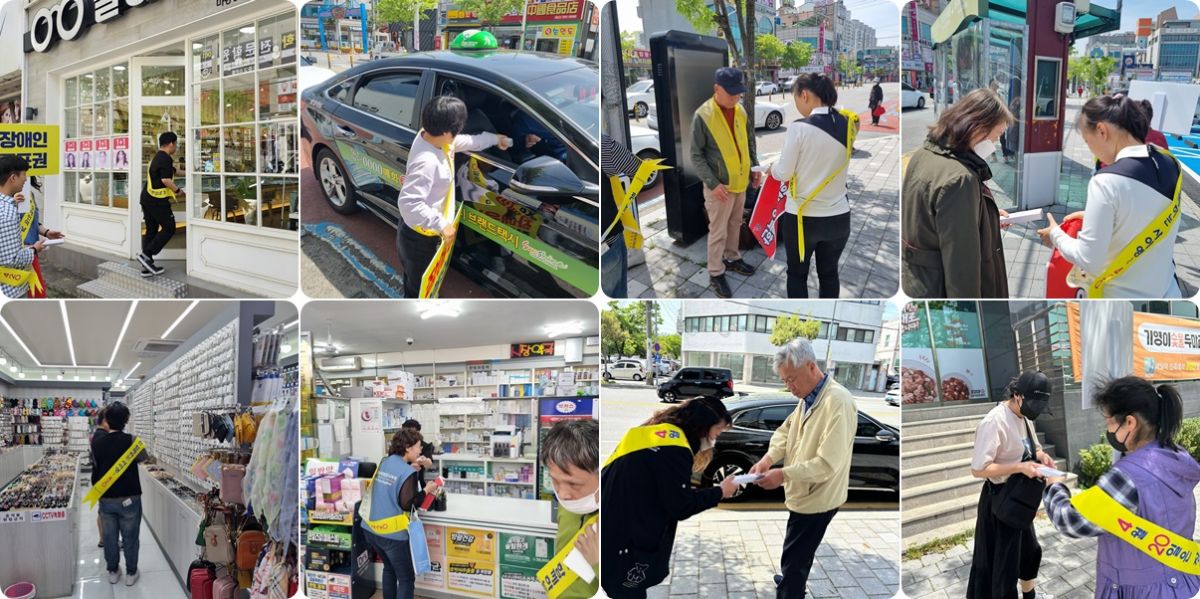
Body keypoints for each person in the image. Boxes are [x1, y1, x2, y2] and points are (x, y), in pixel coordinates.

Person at [1042, 377, 1200, 597]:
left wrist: (1054, 487)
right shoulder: (1176, 456)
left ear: (1130, 423)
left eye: (1108, 422)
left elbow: (1070, 520)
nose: (1108, 430)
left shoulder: (1128, 475)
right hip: (1182, 582)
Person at [1037, 94, 1183, 298]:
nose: (1091, 151)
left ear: (1102, 130)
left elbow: (1088, 259)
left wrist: (1055, 234)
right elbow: (1141, 213)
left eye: (1088, 142)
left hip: (1122, 305)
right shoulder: (1170, 163)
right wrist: (1098, 217)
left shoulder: (1106, 182)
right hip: (1168, 293)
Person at [746, 338, 856, 598]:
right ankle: (790, 579)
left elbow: (827, 464)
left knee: (794, 560)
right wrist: (768, 459)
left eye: (792, 379)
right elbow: (786, 432)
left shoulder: (837, 401)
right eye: (785, 381)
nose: (789, 386)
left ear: (810, 366)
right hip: (805, 494)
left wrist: (782, 475)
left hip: (818, 498)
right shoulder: (808, 396)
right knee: (796, 553)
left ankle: (790, 588)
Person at [601, 398, 738, 598]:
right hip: (627, 541)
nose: (717, 436)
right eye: (719, 430)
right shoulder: (675, 448)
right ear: (703, 426)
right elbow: (681, 506)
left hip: (610, 529)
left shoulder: (647, 433)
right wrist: (721, 491)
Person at [901, 88, 1015, 298]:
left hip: (919, 281)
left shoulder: (923, 154)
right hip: (942, 290)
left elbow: (934, 222)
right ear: (978, 128)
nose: (996, 145)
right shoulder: (960, 179)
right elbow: (962, 273)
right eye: (996, 136)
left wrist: (986, 219)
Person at [396, 95, 512, 298]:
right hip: (420, 236)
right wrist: (441, 224)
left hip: (425, 230)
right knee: (418, 289)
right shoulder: (427, 161)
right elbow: (408, 203)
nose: (459, 132)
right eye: (457, 128)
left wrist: (495, 139)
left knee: (421, 281)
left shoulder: (431, 137)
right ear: (447, 131)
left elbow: (467, 141)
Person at [966, 372, 1056, 599]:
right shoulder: (994, 421)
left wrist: (1042, 456)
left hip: (1020, 501)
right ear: (1017, 395)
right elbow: (978, 469)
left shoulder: (1025, 417)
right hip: (1000, 503)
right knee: (1003, 566)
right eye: (1033, 403)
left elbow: (1032, 448)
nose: (1035, 410)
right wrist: (1019, 467)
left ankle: (1029, 594)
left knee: (1030, 551)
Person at [770, 73, 855, 299]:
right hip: (839, 217)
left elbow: (783, 173)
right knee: (829, 274)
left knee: (797, 275)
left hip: (802, 220)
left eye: (796, 97)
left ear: (804, 95)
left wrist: (771, 168)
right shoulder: (848, 125)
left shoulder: (799, 128)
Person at [690, 67, 761, 298]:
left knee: (735, 224)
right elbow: (696, 155)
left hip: (740, 182)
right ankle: (715, 271)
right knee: (718, 231)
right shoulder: (704, 115)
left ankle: (732, 258)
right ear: (716, 89)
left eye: (738, 93)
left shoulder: (740, 111)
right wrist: (712, 183)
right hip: (719, 188)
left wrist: (755, 168)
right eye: (730, 93)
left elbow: (748, 142)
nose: (735, 98)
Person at [362, 428, 440, 599]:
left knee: (389, 569)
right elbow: (408, 504)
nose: (420, 450)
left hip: (370, 529)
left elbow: (392, 479)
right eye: (418, 447)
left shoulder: (385, 461)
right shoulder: (408, 472)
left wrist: (412, 468)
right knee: (406, 579)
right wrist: (427, 489)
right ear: (407, 447)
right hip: (392, 535)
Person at [540, 420, 600, 598]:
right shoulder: (567, 506)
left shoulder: (621, 511)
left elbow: (630, 581)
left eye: (574, 484)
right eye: (555, 481)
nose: (563, 494)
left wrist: (598, 562)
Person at [91, 402, 148, 586]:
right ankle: (131, 573)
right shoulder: (132, 440)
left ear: (106, 420)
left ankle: (113, 571)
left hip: (106, 498)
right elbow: (144, 458)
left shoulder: (96, 442)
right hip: (130, 498)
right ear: (126, 421)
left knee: (109, 537)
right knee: (130, 537)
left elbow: (96, 465)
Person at [601, 133, 644, 298]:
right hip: (607, 240)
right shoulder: (604, 145)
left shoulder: (567, 131)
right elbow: (639, 171)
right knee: (615, 295)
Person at [137, 132, 184, 278]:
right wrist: (178, 190)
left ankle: (146, 267)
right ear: (171, 143)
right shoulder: (165, 158)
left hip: (146, 198)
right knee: (169, 227)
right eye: (176, 144)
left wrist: (194, 172)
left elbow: (176, 172)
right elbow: (165, 180)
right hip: (156, 201)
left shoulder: (158, 157)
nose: (176, 147)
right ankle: (147, 254)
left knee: (151, 229)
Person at [0, 155, 44, 298]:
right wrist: (34, 249)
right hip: (10, 290)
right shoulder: (7, 212)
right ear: (13, 178)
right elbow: (12, 260)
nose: (26, 179)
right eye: (24, 174)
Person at [19, 176, 64, 299]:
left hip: (32, 255)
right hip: (13, 260)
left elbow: (34, 222)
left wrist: (46, 232)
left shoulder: (29, 194)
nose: (24, 178)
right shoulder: (5, 201)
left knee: (36, 296)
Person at [91, 406, 110, 549]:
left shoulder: (97, 435)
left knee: (102, 511)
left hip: (97, 478)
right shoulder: (102, 437)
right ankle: (104, 539)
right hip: (102, 481)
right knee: (103, 512)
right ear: (104, 421)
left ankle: (103, 539)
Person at [399, 419, 435, 487]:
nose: (420, 451)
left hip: (417, 482)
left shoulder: (424, 446)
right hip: (401, 483)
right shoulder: (397, 446)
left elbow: (429, 463)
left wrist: (425, 461)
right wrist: (408, 469)